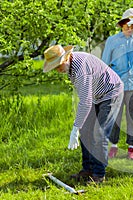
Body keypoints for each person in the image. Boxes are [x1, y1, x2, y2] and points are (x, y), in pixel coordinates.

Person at [43, 44, 124, 183]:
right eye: (55, 67)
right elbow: (86, 97)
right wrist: (79, 128)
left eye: (59, 65)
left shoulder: (80, 70)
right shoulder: (71, 65)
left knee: (99, 134)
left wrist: (75, 129)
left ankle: (98, 175)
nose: (58, 70)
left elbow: (85, 101)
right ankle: (87, 170)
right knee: (86, 131)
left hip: (112, 93)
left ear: (66, 58)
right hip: (96, 95)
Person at [102, 8, 133, 160]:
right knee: (115, 115)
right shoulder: (112, 40)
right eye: (127, 26)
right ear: (122, 25)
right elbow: (105, 62)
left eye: (132, 26)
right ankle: (114, 145)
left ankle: (131, 147)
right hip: (117, 84)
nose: (129, 29)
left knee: (132, 115)